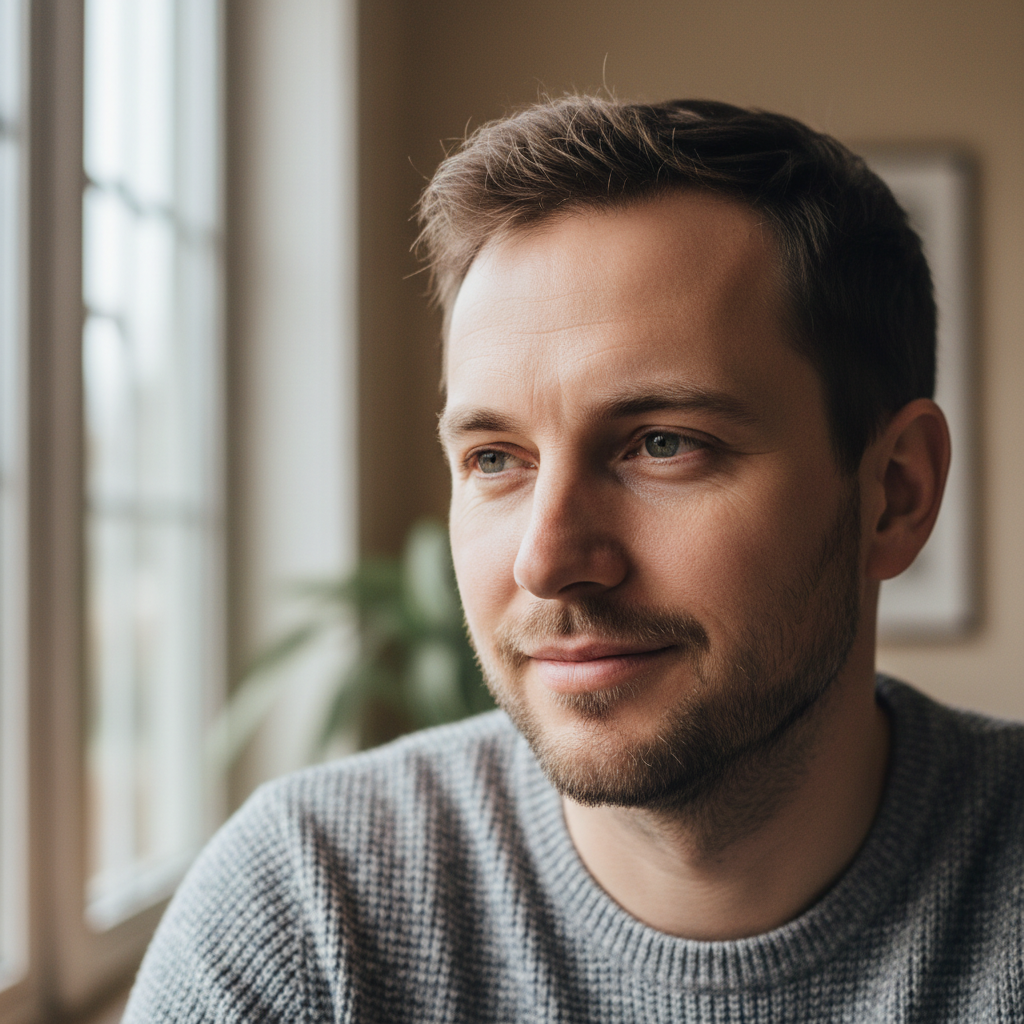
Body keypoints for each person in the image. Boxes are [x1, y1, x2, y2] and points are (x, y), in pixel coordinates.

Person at [124, 97, 1023, 1022]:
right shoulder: (311, 910)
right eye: (495, 459)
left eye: (663, 444)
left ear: (896, 494)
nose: (546, 561)